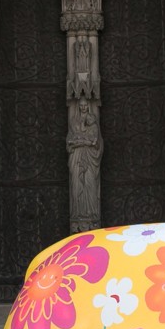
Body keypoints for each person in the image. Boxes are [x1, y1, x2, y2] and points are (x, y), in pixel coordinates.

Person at [67, 99, 101, 232]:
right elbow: (70, 142)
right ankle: (77, 217)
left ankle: (91, 216)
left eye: (85, 105)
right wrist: (81, 142)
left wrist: (82, 142)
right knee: (76, 185)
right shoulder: (74, 122)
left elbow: (96, 142)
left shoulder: (93, 124)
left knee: (90, 184)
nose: (83, 108)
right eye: (80, 106)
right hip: (76, 158)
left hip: (89, 158)